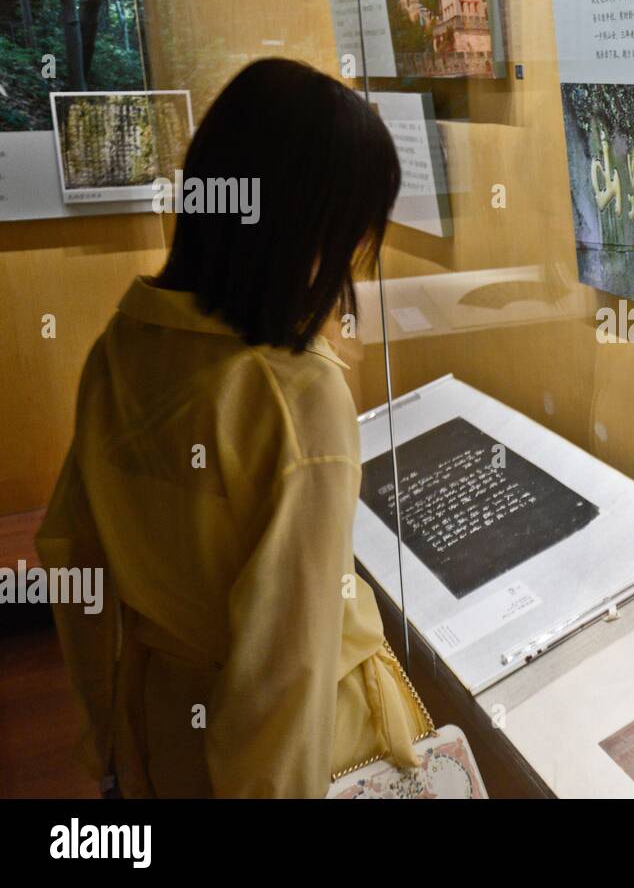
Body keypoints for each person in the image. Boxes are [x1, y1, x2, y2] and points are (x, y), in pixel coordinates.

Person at [35, 58, 430, 798]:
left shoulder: (121, 345)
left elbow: (71, 555)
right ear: (312, 227)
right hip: (310, 751)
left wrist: (110, 737)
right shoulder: (298, 395)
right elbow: (286, 669)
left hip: (161, 716)